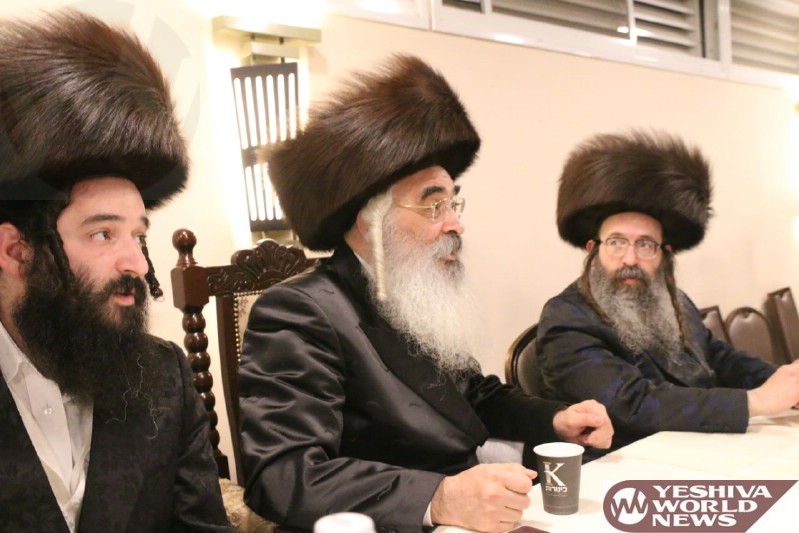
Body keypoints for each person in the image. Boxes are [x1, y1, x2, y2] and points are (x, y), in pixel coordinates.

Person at [238, 54, 613, 533]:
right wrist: (437, 498)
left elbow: (472, 396)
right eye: (433, 205)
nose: (455, 224)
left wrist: (556, 419)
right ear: (369, 221)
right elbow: (283, 476)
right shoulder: (298, 312)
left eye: (454, 202)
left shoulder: (414, 295)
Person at [0, 10, 233, 532]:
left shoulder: (166, 377)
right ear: (16, 251)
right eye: (103, 234)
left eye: (139, 235)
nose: (137, 263)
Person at [536, 129, 799, 459]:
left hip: (699, 445)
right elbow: (631, 404)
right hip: (627, 464)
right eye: (616, 242)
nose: (630, 259)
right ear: (592, 249)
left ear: (664, 254)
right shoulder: (566, 317)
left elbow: (718, 357)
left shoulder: (672, 300)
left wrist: (784, 382)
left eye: (646, 245)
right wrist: (755, 401)